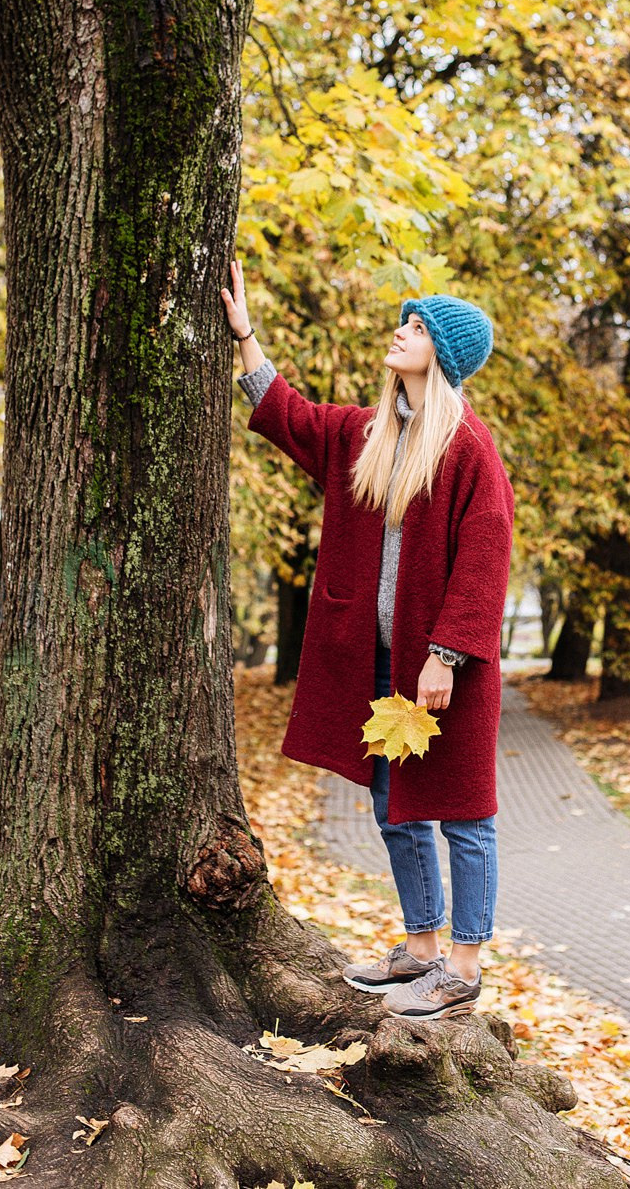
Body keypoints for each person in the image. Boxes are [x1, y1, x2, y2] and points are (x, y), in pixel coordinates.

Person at [221, 259, 514, 1020]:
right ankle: (419, 948)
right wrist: (245, 335)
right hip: (382, 666)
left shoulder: (467, 446)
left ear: (444, 354)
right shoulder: (368, 434)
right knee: (394, 806)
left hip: (446, 668)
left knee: (465, 814)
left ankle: (463, 968)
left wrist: (446, 655)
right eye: (403, 321)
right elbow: (289, 414)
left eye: (417, 328)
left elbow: (485, 557)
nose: (400, 332)